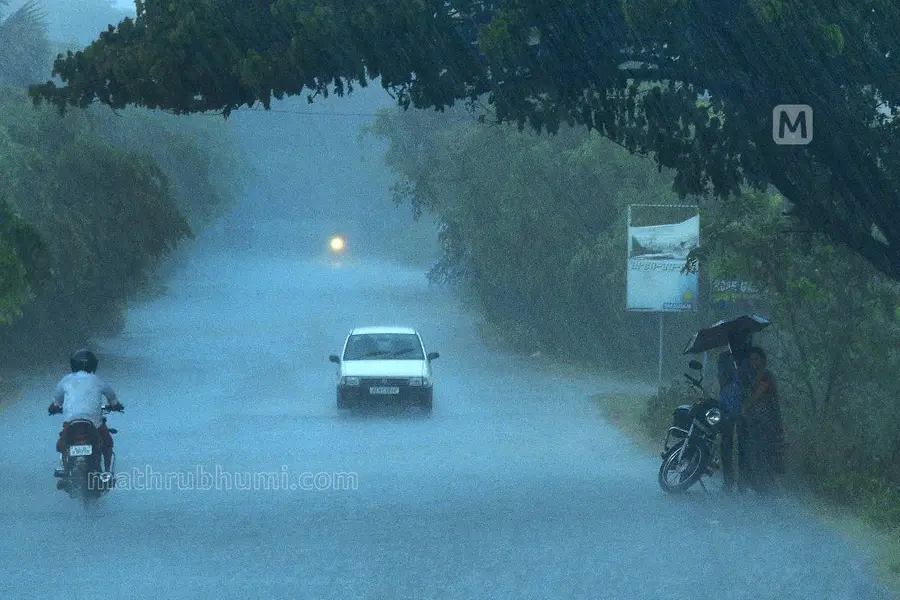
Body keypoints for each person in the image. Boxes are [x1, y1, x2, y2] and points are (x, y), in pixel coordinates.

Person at [48, 350, 124, 480]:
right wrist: (116, 406)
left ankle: (62, 468)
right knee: (107, 442)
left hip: (71, 422)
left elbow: (56, 403)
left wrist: (53, 409)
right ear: (93, 365)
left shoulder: (65, 381)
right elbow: (112, 399)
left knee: (63, 442)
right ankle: (107, 472)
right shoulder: (98, 381)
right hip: (93, 423)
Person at [741, 346, 785, 495]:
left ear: (763, 360)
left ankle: (769, 487)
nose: (753, 362)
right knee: (756, 453)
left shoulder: (767, 376)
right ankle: (761, 487)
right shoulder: (753, 376)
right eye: (751, 359)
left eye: (756, 359)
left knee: (766, 453)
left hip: (768, 421)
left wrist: (746, 406)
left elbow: (759, 394)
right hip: (755, 421)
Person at [718, 335, 754, 492]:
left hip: (744, 407)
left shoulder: (749, 359)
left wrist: (742, 368)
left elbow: (752, 381)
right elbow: (722, 380)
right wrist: (733, 367)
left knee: (744, 445)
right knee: (726, 444)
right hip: (726, 406)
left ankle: (743, 482)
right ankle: (728, 481)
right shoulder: (724, 357)